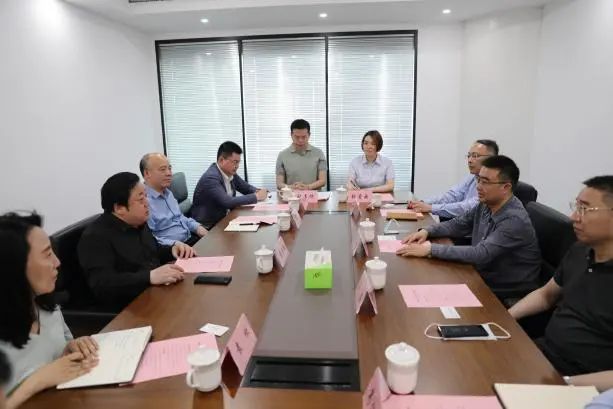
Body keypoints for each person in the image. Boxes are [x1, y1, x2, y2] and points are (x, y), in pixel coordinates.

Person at [509, 176, 613, 388]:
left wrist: (564, 384)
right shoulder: (580, 250)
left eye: (585, 209)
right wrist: (506, 318)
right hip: (543, 355)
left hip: (582, 382)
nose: (574, 217)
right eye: (576, 207)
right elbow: (546, 295)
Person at [0, 213, 99, 409]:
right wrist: (37, 380)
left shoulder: (46, 304)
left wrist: (72, 347)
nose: (57, 262)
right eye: (47, 254)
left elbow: (64, 345)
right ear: (15, 266)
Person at [397, 155, 540, 290]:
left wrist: (430, 249)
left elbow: (481, 253)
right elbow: (458, 224)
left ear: (506, 187)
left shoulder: (514, 220)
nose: (478, 186)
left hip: (506, 286)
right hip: (482, 272)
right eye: (478, 180)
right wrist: (427, 231)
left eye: (485, 182)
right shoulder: (486, 204)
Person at [79, 172, 194, 312]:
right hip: (128, 311)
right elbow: (103, 284)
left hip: (157, 294)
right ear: (119, 208)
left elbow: (152, 251)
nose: (147, 203)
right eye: (141, 199)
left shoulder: (138, 222)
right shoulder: (95, 237)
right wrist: (149, 277)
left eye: (146, 196)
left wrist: (172, 249)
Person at [409, 139, 499, 218]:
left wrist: (431, 208)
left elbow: (467, 207)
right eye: (469, 156)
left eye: (475, 156)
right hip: (462, 223)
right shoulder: (472, 176)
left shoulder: (494, 183)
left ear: (492, 159)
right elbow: (452, 196)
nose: (469, 160)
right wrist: (423, 202)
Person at [192, 141, 268, 229]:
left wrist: (258, 191)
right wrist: (256, 196)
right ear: (221, 160)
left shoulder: (229, 173)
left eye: (238, 162)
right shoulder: (211, 178)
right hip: (209, 226)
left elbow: (246, 187)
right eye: (235, 162)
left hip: (225, 219)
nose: (237, 166)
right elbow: (227, 202)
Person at [140, 153, 207, 246]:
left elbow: (180, 218)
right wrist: (175, 244)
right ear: (147, 173)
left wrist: (198, 228)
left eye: (169, 168)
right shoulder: (143, 202)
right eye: (163, 169)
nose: (169, 173)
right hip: (172, 249)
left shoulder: (168, 193)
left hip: (189, 238)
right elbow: (151, 239)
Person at [276, 119, 327, 190]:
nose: (300, 140)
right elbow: (279, 183)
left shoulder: (319, 153)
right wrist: (291, 187)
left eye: (304, 137)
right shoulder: (282, 155)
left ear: (309, 135)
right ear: (291, 135)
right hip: (291, 195)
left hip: (313, 195)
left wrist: (308, 187)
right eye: (297, 137)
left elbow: (323, 181)